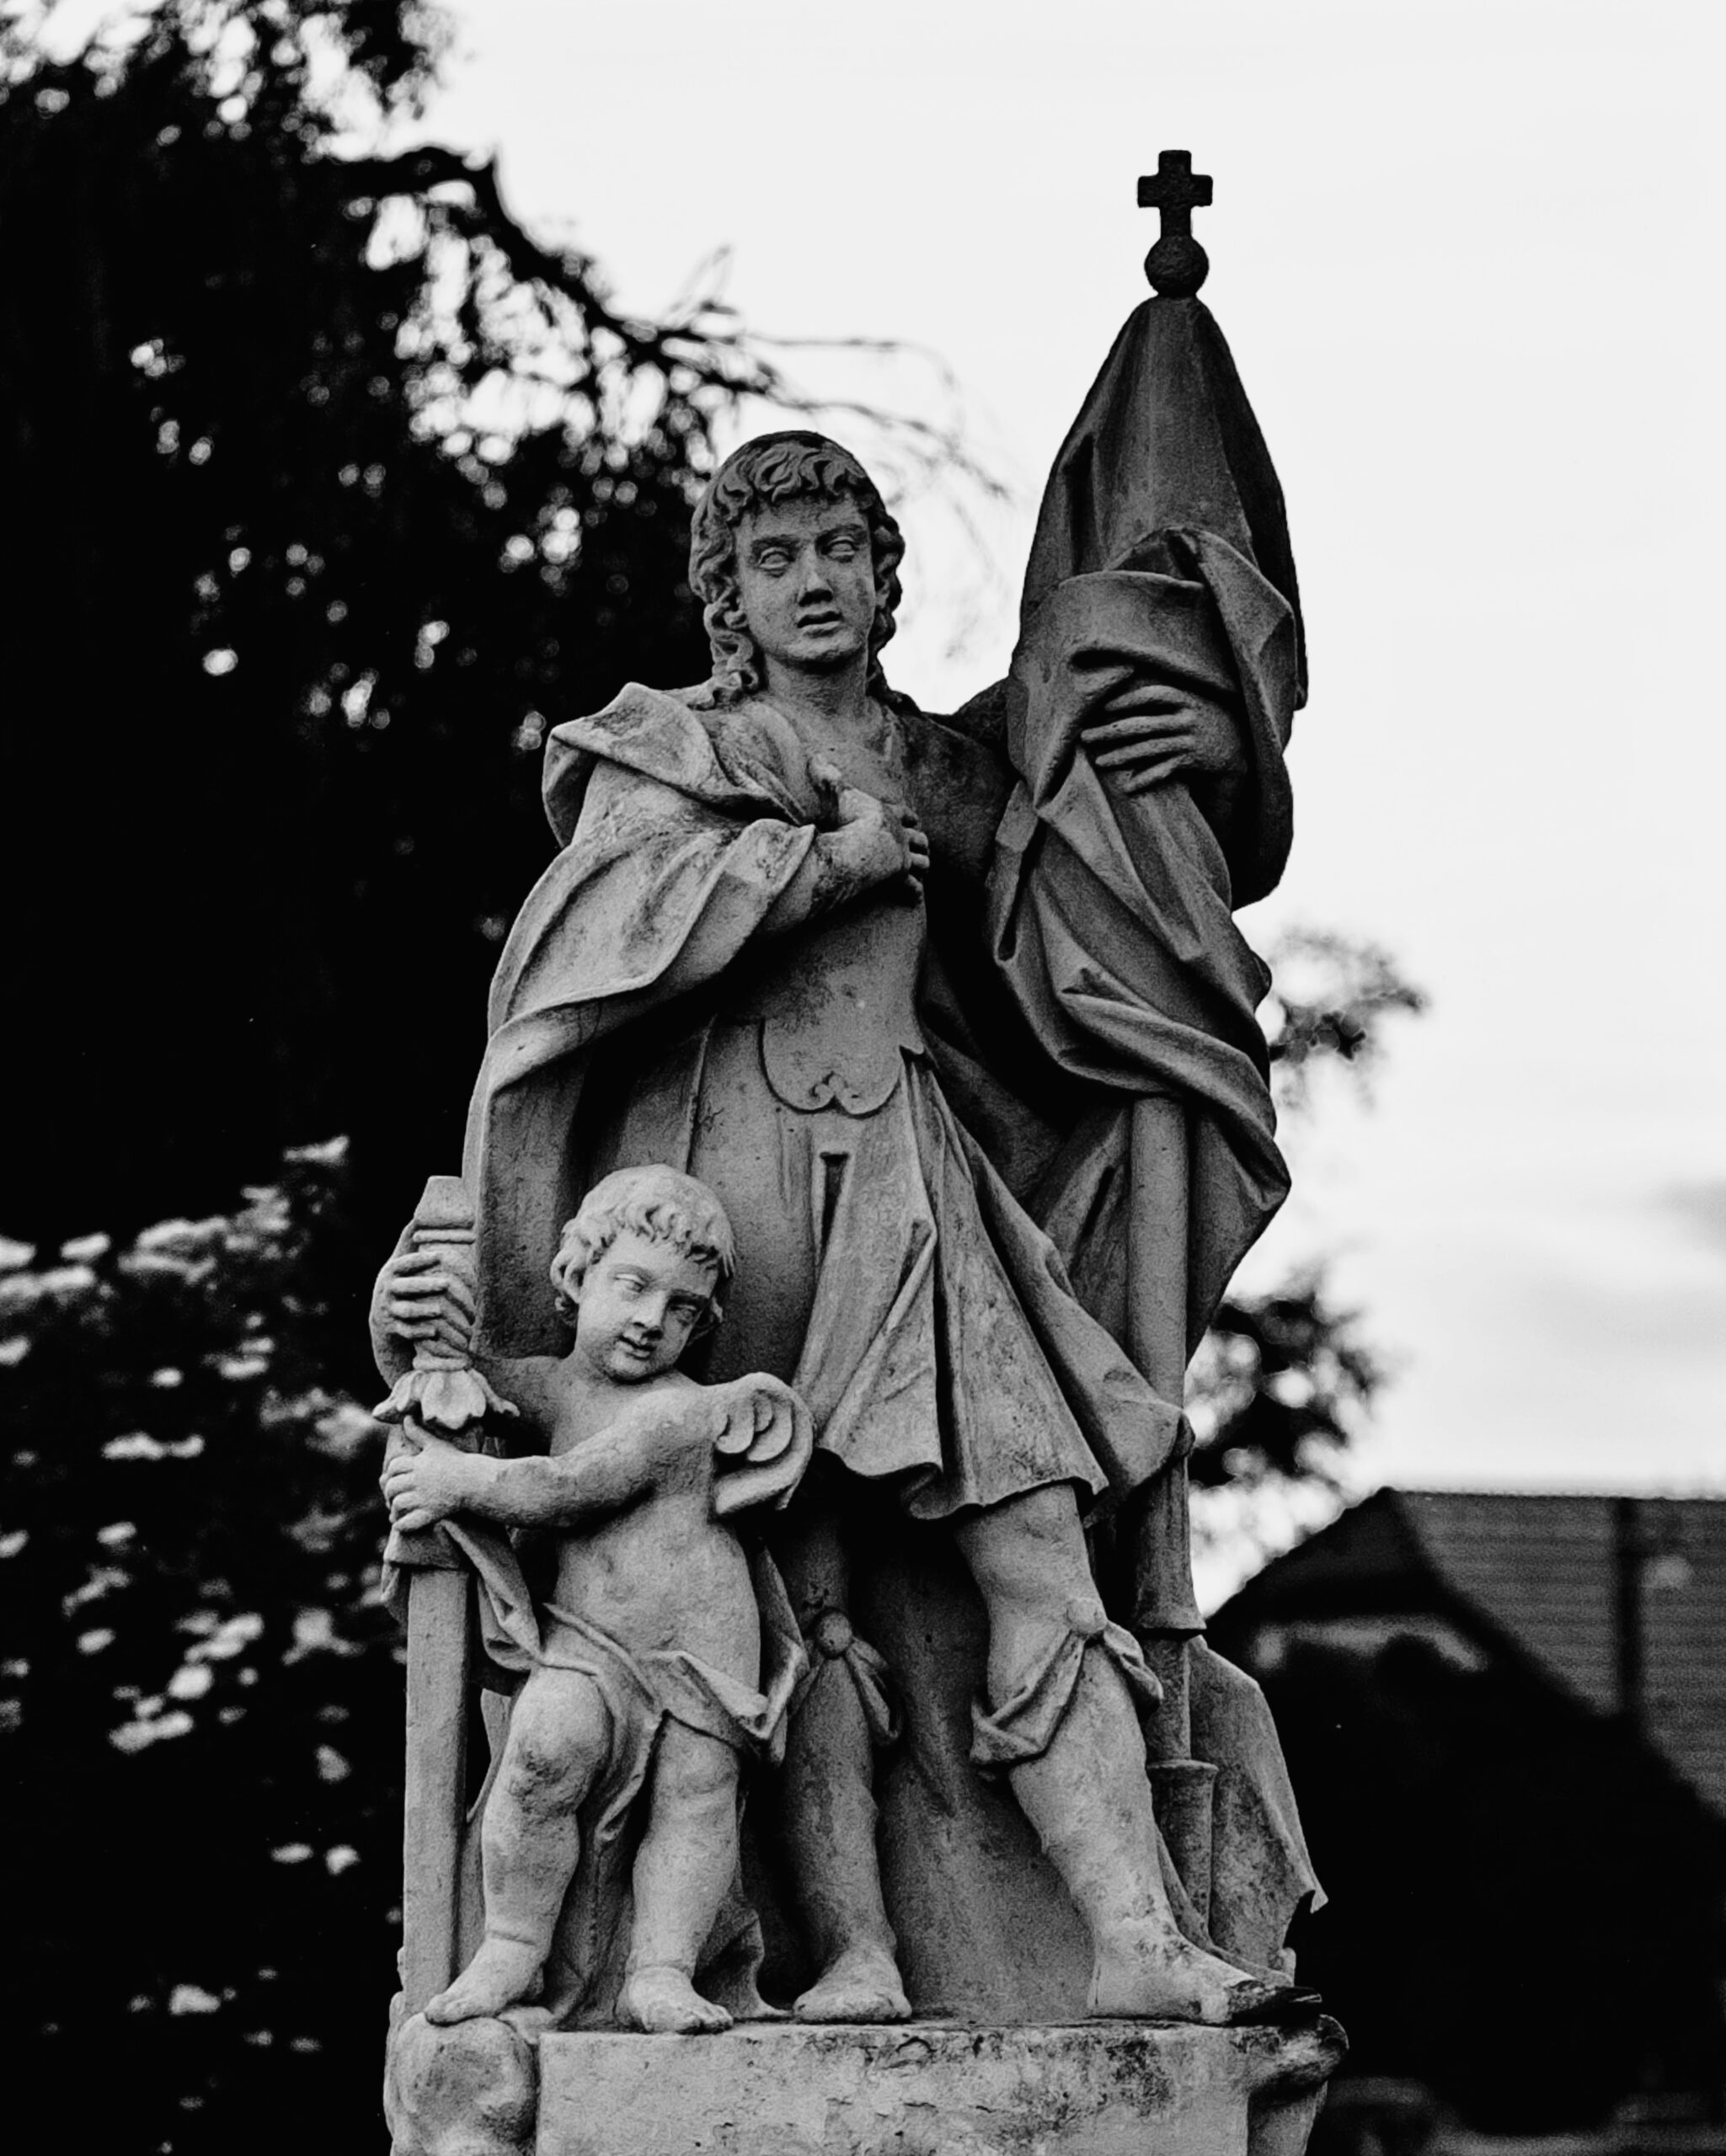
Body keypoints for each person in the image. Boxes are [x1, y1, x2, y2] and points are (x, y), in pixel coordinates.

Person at [446, 431, 1300, 2027]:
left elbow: (1062, 926)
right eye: (774, 561)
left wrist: (1164, 750)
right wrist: (803, 870)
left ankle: (1131, 1934)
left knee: (1034, 1532)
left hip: (909, 1189)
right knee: (794, 1587)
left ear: (881, 572)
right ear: (727, 598)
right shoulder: (670, 751)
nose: (814, 582)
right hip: (720, 1202)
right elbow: (578, 951)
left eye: (839, 548)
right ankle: (850, 1953)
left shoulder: (944, 770)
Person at [377, 1165, 812, 2035]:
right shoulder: (550, 1386)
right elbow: (455, 1384)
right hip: (587, 1639)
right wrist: (400, 1321)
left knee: (694, 1804)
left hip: (701, 1651)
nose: (654, 1319)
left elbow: (573, 1486)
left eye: (684, 1307)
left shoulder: (681, 1413)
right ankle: (511, 1947)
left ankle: (661, 1972)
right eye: (634, 1286)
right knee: (541, 1757)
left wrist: (460, 1479)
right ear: (576, 1277)